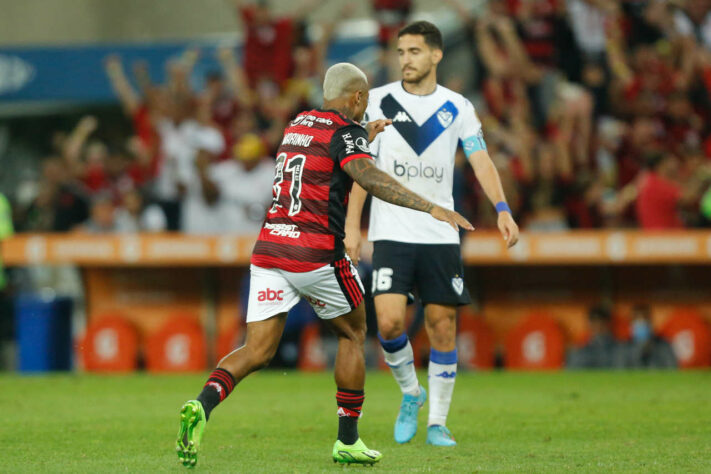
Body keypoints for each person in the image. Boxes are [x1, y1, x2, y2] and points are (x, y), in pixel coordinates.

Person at [175, 62, 473, 468]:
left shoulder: (299, 122)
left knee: (257, 349)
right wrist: (430, 206)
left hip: (270, 248)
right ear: (357, 98)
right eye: (363, 100)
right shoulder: (345, 132)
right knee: (354, 333)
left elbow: (330, 153)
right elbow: (368, 177)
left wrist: (362, 137)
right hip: (316, 253)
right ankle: (347, 440)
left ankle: (202, 404)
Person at [344, 21, 519, 447]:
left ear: (436, 56)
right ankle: (411, 394)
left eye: (415, 52)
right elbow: (361, 171)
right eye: (401, 52)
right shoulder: (378, 103)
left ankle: (438, 422)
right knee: (386, 323)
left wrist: (502, 208)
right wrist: (352, 226)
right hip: (391, 233)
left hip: (440, 234)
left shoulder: (458, 107)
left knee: (442, 326)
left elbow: (481, 161)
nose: (406, 59)